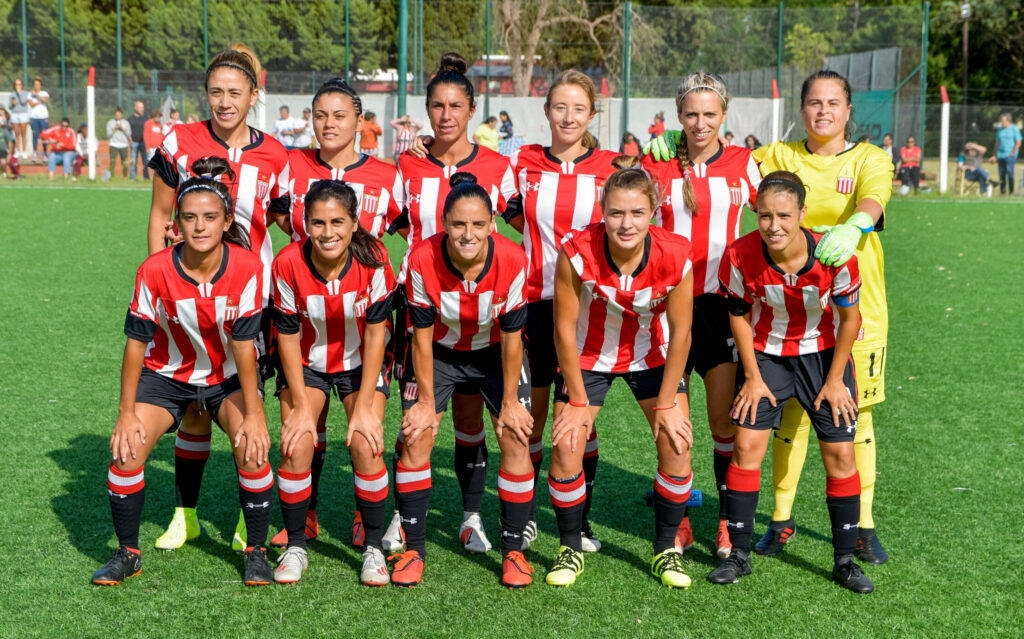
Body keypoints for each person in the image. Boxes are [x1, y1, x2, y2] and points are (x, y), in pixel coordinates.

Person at [647, 69, 894, 566]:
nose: (822, 111)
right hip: (702, 305)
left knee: (839, 418)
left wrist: (857, 225)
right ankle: (733, 518)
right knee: (691, 420)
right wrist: (674, 139)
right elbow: (687, 158)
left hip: (829, 306)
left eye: (832, 103)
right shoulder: (771, 156)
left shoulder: (865, 157)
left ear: (848, 110)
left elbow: (864, 198)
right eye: (813, 103)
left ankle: (858, 525)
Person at [91, 157, 274, 587]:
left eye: (210, 217)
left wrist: (255, 412)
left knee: (251, 446)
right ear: (176, 222)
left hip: (227, 376)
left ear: (227, 221)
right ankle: (128, 553)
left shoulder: (248, 267)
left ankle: (258, 553)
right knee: (127, 450)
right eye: (189, 217)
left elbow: (245, 349)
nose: (199, 226)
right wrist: (126, 413)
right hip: (166, 376)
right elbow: (136, 344)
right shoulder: (154, 270)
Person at [147, 43, 290, 554]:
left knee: (247, 401)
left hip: (249, 299)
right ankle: (184, 516)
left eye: (235, 92)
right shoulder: (180, 141)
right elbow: (162, 214)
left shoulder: (275, 155)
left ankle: (243, 516)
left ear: (255, 94)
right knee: (192, 405)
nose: (224, 102)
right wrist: (161, 290)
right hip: (186, 297)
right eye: (215, 92)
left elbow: (276, 218)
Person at [709, 171, 873, 594]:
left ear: (802, 213)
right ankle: (741, 557)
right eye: (764, 216)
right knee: (745, 448)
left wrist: (836, 380)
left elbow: (851, 318)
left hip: (822, 358)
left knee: (840, 456)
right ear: (755, 214)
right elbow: (739, 314)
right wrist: (752, 376)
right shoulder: (740, 254)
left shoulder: (833, 255)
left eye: (784, 215)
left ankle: (844, 561)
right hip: (766, 359)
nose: (774, 225)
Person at [265, 78, 404, 550]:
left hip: (366, 314)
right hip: (304, 313)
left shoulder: (388, 175)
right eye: (320, 115)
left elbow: (419, 226)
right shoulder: (291, 166)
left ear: (359, 121)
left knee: (366, 432)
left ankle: (368, 520)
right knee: (305, 430)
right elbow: (270, 220)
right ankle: (305, 516)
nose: (328, 124)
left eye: (339, 115)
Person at [545, 155, 694, 588]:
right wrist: (575, 400)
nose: (626, 223)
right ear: (602, 210)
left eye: (636, 212)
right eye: (615, 212)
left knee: (677, 442)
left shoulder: (676, 253)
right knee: (567, 444)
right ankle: (570, 546)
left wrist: (667, 403)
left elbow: (682, 333)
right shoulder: (576, 250)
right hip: (589, 355)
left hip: (653, 355)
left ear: (653, 211)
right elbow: (563, 329)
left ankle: (666, 549)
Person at [392, 52, 519, 558]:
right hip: (422, 309)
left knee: (470, 419)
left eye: (456, 106)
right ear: (428, 111)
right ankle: (405, 521)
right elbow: (392, 223)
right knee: (416, 419)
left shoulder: (498, 167)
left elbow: (524, 227)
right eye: (437, 106)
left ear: (471, 111)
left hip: (484, 311)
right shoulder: (407, 165)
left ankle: (471, 517)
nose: (446, 115)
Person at [641, 72, 760, 560]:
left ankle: (729, 523)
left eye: (710, 114)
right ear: (677, 117)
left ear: (724, 116)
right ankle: (681, 521)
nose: (700, 123)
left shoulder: (744, 164)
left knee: (722, 424)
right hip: (668, 306)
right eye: (690, 114)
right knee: (674, 423)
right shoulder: (658, 163)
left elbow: (778, 214)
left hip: (720, 308)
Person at [503, 69, 620, 554]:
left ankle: (581, 521)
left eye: (578, 109)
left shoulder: (613, 165)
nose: (568, 117)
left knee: (579, 418)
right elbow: (507, 209)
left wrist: (671, 141)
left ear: (591, 114)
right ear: (546, 111)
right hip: (532, 304)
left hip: (590, 310)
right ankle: (527, 516)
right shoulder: (522, 162)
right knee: (533, 415)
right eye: (559, 107)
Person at [399, 172, 534, 588]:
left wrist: (511, 401)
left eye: (478, 224)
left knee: (513, 433)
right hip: (437, 352)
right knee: (417, 434)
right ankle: (413, 550)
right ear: (444, 223)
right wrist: (423, 401)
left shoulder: (512, 259)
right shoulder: (421, 258)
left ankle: (512, 551)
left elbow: (513, 341)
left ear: (492, 224)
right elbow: (420, 338)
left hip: (494, 352)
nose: (468, 233)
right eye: (458, 224)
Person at [270, 179, 396, 585]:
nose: (328, 232)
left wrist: (363, 408)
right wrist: (303, 410)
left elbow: (378, 333)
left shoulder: (375, 257)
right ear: (305, 224)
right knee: (296, 443)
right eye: (318, 223)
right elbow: (287, 336)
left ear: (355, 223)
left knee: (366, 442)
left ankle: (374, 548)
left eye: (338, 222)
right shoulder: (288, 262)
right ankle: (296, 546)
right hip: (305, 362)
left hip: (362, 362)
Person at [994, 113, 1021, 195]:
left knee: (1010, 174)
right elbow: (997, 143)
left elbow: (1018, 142)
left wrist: (1012, 153)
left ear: (1008, 121)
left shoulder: (1014, 129)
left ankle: (1011, 192)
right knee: (1001, 174)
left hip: (1010, 156)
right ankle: (1002, 192)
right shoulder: (1000, 130)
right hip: (1000, 155)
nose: (1001, 122)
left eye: (1003, 121)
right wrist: (995, 155)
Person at [106, 108, 132, 178]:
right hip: (114, 144)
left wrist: (123, 129)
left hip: (124, 145)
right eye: (116, 114)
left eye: (119, 114)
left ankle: (125, 176)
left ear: (122, 115)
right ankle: (111, 176)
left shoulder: (126, 123)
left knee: (125, 162)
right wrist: (115, 128)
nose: (117, 116)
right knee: (112, 161)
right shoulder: (110, 122)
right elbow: (108, 135)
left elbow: (129, 134)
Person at [28, 77, 49, 159]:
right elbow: (31, 104)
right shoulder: (30, 94)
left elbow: (44, 100)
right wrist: (39, 102)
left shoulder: (44, 93)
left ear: (41, 85)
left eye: (38, 84)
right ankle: (35, 152)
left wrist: (37, 95)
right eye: (35, 84)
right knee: (35, 135)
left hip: (43, 117)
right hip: (34, 117)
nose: (36, 86)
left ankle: (45, 153)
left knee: (44, 135)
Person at [128, 101, 149, 180]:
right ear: (135, 108)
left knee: (146, 161)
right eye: (140, 107)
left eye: (142, 107)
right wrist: (130, 140)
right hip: (134, 143)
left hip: (144, 143)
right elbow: (128, 131)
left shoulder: (146, 119)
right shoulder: (130, 119)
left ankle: (146, 177)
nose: (142, 109)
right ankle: (132, 177)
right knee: (133, 160)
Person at [8, 78, 30, 158]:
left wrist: (19, 94)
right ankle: (18, 151)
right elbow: (9, 106)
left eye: (19, 84)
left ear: (22, 85)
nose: (18, 86)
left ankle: (24, 151)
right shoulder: (12, 94)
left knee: (23, 134)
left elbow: (24, 102)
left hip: (23, 114)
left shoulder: (25, 93)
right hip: (15, 114)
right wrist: (13, 104)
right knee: (17, 134)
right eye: (16, 84)